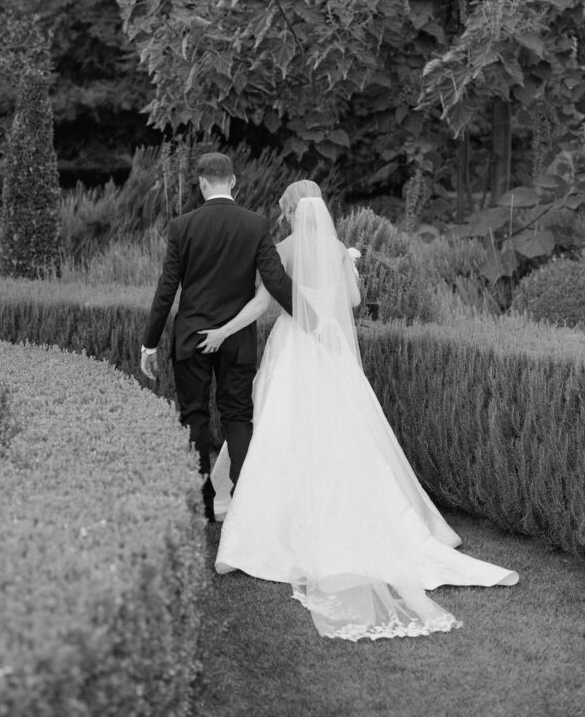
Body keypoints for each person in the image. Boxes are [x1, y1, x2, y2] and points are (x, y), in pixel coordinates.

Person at [197, 180, 519, 641]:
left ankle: (263, 533)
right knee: (344, 433)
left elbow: (265, 304)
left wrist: (225, 330)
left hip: (292, 350)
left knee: (281, 433)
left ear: (290, 210)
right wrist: (345, 267)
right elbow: (350, 302)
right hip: (330, 355)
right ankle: (375, 521)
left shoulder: (282, 249)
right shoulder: (334, 249)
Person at [140, 152, 293, 522]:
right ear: (234, 182)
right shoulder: (255, 224)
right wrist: (312, 318)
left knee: (194, 417)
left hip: (191, 337)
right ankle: (247, 502)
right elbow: (275, 281)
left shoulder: (182, 226)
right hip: (237, 339)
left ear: (202, 183)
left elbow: (166, 291)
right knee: (238, 417)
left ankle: (202, 505)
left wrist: (150, 343)